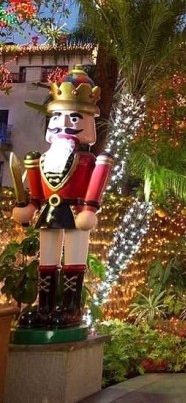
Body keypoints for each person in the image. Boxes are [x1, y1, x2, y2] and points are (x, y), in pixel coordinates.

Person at [13, 66, 113, 328]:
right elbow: (36, 190)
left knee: (75, 257)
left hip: (77, 212)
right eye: (58, 116)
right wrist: (28, 205)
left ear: (88, 124)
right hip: (49, 213)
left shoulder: (90, 160)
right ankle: (43, 306)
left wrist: (90, 208)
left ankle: (71, 308)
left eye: (75, 119)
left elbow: (95, 184)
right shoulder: (40, 159)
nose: (65, 124)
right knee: (46, 259)